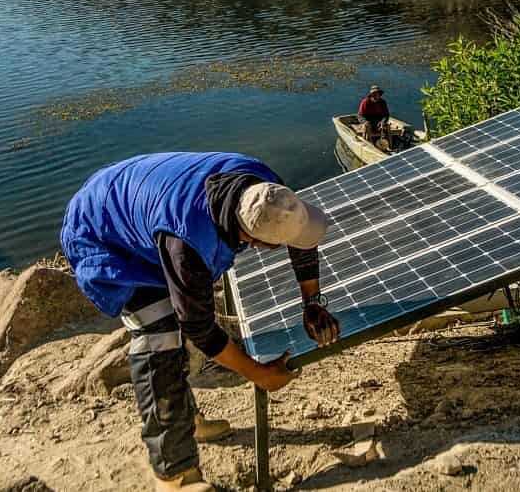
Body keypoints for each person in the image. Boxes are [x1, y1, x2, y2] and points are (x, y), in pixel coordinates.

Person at [60, 152, 341, 492]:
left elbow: (301, 238)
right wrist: (258, 373)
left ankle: (186, 423)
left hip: (142, 206)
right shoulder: (187, 241)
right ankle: (173, 474)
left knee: (178, 318)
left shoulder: (267, 191)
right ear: (250, 239)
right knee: (159, 337)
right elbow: (200, 328)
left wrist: (311, 302)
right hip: (103, 232)